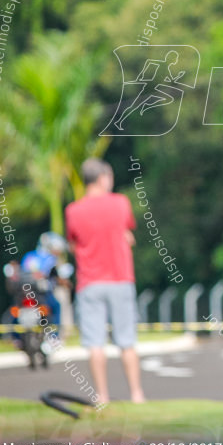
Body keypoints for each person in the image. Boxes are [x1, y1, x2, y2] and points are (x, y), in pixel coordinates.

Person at [65, 158, 145, 404]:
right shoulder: (120, 203)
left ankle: (102, 396)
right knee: (127, 341)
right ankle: (136, 394)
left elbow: (73, 243)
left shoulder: (73, 210)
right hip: (120, 278)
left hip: (89, 282)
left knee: (95, 343)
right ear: (102, 178)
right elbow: (126, 230)